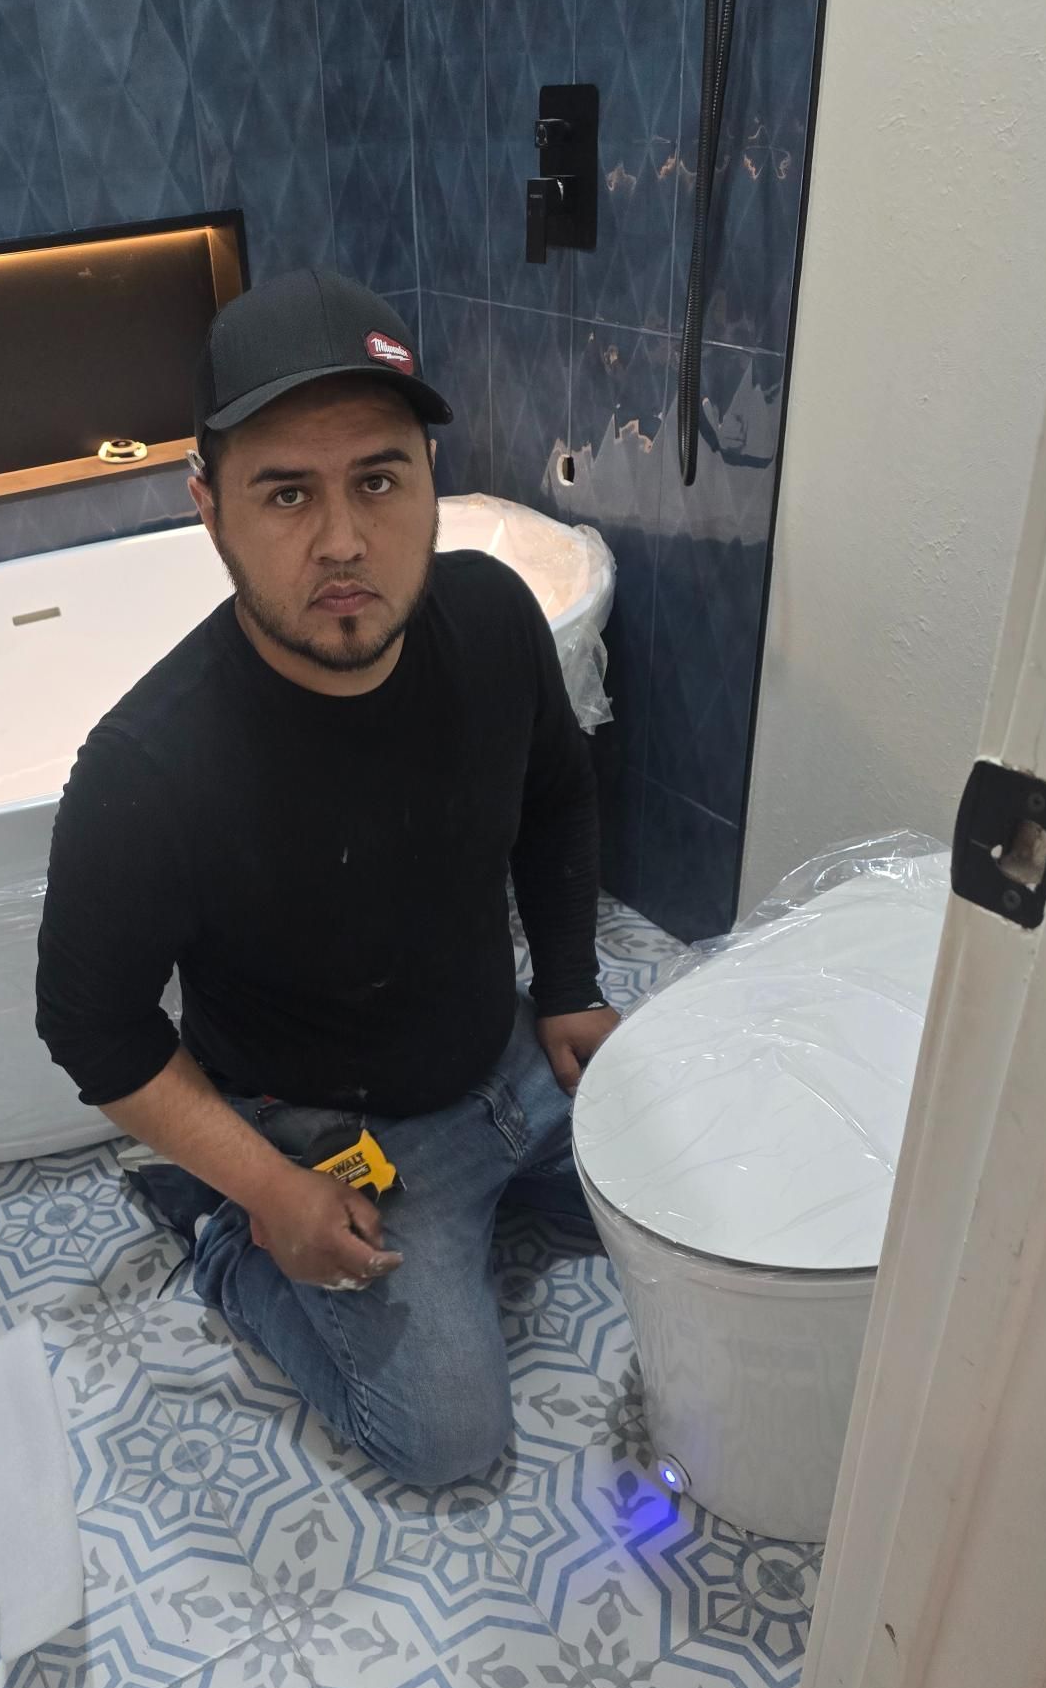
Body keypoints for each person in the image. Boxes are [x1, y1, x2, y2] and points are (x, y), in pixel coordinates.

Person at [36, 268, 618, 1488]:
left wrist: (569, 986)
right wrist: (265, 1188)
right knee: (449, 1439)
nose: (344, 540)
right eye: (287, 493)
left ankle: (504, 1188)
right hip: (334, 1139)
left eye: (379, 480)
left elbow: (559, 793)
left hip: (508, 1057)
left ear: (431, 480)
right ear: (210, 509)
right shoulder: (150, 765)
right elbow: (90, 1026)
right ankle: (222, 1233)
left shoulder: (493, 616)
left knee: (687, 1198)